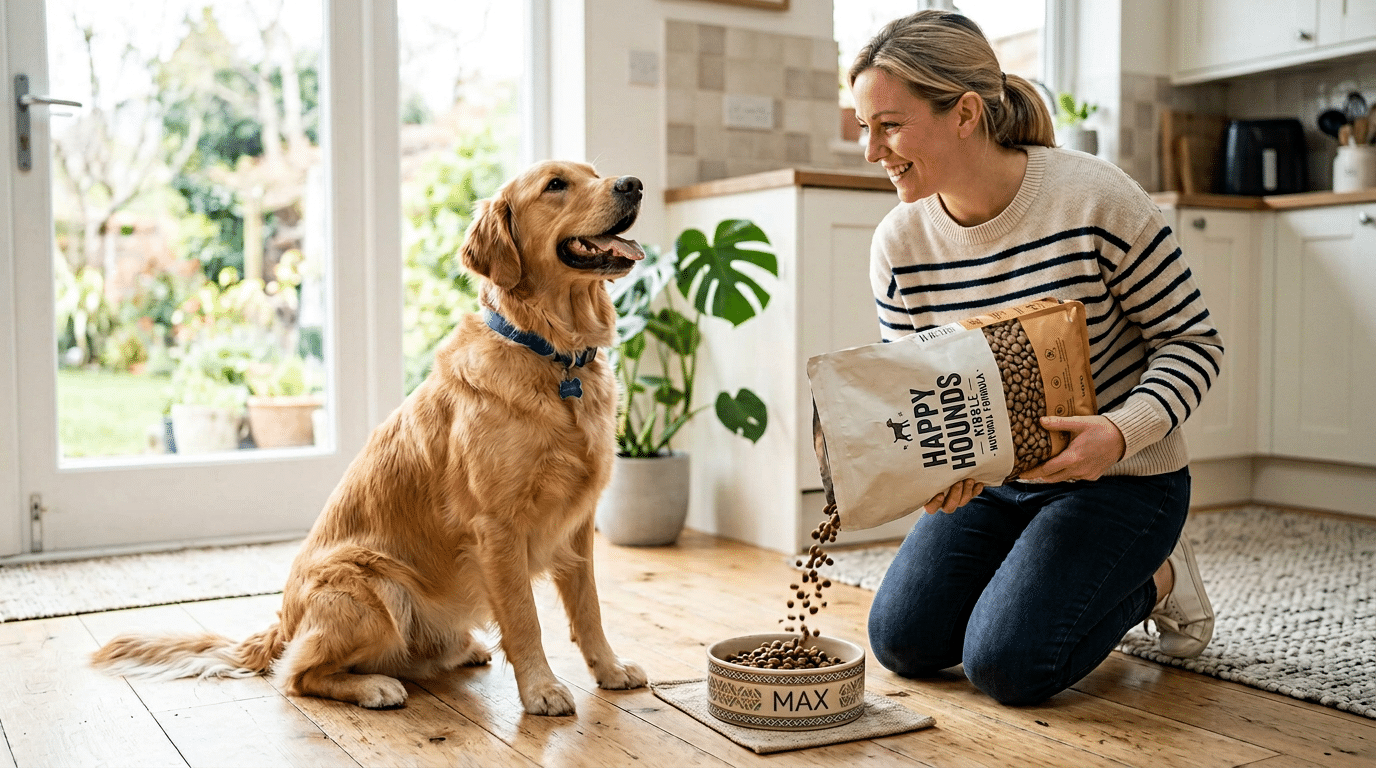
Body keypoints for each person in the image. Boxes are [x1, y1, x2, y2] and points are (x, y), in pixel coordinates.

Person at [849, 10, 1222, 706]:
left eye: (889, 125)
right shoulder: (898, 245)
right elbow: (922, 391)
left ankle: (1160, 575)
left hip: (1122, 479)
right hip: (997, 483)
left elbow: (1194, 341)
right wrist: (929, 467)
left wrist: (1117, 433)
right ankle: (1040, 569)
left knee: (1009, 667)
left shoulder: (1094, 200)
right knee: (904, 641)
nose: (872, 150)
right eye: (864, 126)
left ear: (963, 113)